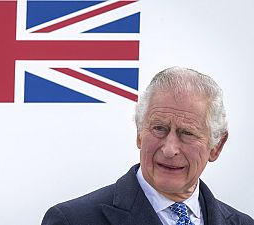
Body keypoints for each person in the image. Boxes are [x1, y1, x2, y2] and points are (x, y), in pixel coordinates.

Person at [41, 67, 254, 225]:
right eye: (159, 128)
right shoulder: (72, 220)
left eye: (187, 133)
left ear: (216, 146)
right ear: (139, 134)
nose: (170, 149)